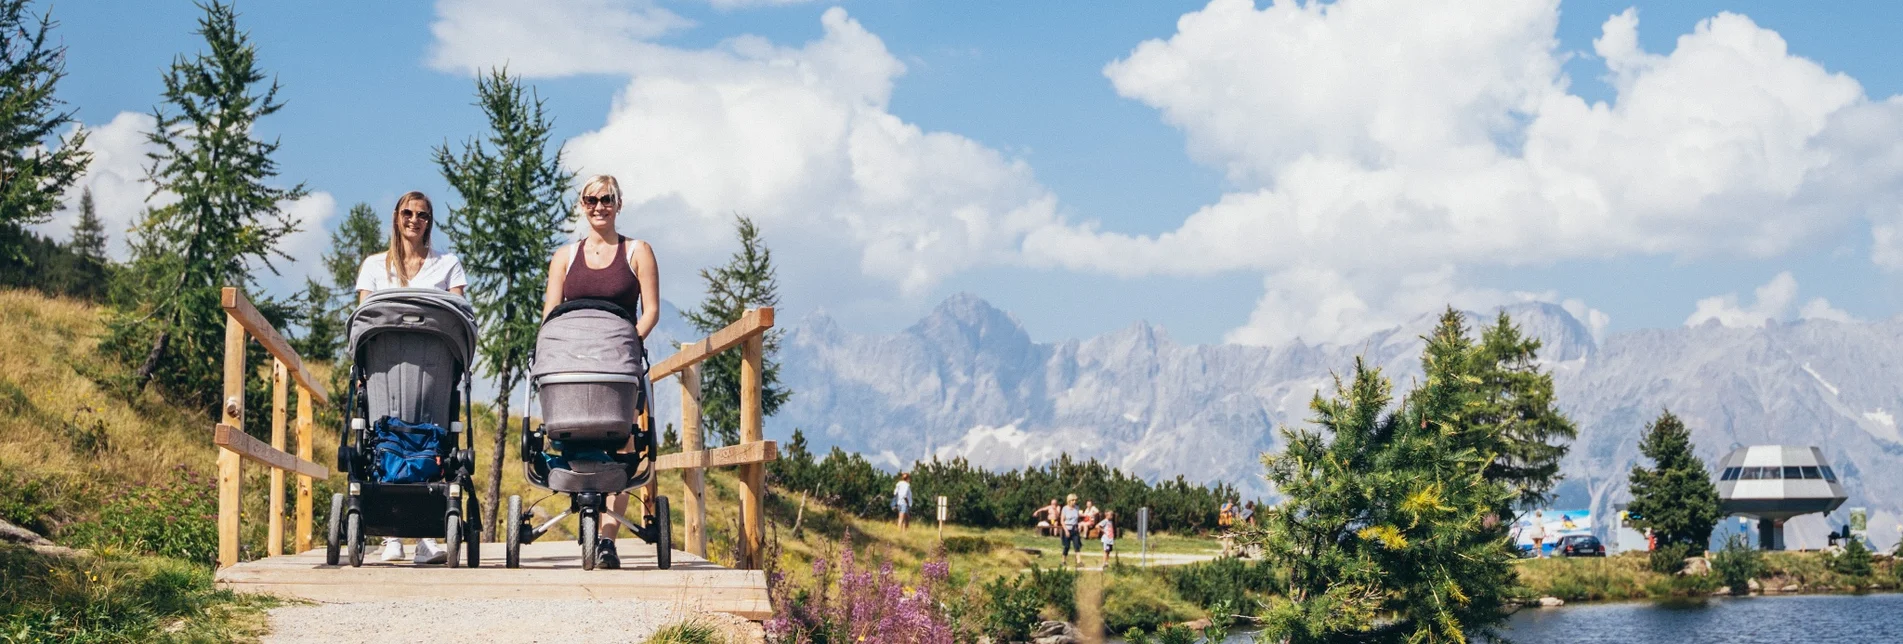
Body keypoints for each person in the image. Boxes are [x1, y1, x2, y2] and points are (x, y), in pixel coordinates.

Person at [541, 175, 661, 570]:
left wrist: (628, 346)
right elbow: (551, 317)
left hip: (617, 366)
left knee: (624, 443)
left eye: (606, 199)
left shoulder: (637, 252)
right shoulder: (564, 257)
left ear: (618, 203)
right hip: (572, 365)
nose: (598, 206)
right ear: (581, 204)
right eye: (591, 199)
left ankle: (607, 539)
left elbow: (651, 312)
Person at [354, 191, 466, 565]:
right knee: (388, 436)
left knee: (426, 441)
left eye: (422, 214)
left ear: (429, 221)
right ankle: (392, 537)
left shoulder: (447, 264)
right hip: (385, 366)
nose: (414, 220)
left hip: (433, 366)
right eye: (407, 213)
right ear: (396, 217)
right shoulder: (374, 265)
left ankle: (422, 536)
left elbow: (461, 316)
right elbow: (363, 320)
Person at [1060, 494, 1082, 567]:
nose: (1074, 502)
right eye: (1073, 500)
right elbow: (1062, 521)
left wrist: (1079, 526)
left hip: (1074, 529)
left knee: (1077, 545)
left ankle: (1079, 562)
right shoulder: (1065, 509)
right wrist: (1066, 530)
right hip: (1067, 528)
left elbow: (1077, 519)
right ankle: (1063, 561)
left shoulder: (1077, 508)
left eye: (1075, 500)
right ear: (1069, 501)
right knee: (1067, 546)